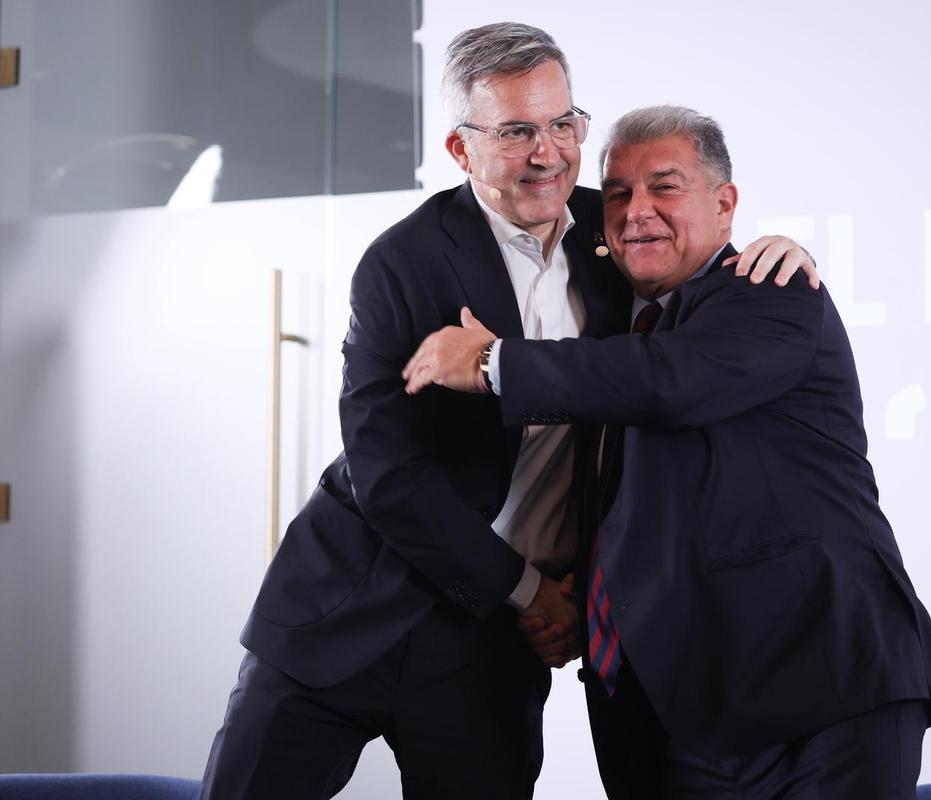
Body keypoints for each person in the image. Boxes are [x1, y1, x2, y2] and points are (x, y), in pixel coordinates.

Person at [199, 23, 818, 800]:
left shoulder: (616, 236)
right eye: (517, 131)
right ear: (461, 150)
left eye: (563, 124)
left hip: (491, 653)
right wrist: (530, 593)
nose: (548, 152)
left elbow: (694, 288)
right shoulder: (402, 262)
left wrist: (779, 253)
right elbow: (388, 477)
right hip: (353, 608)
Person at [403, 105, 931, 799]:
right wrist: (571, 600)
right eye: (617, 194)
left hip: (819, 694)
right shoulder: (620, 332)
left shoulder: (771, 288)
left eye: (664, 187)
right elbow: (639, 494)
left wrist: (494, 363)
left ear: (724, 205)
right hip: (675, 712)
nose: (637, 211)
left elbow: (669, 383)